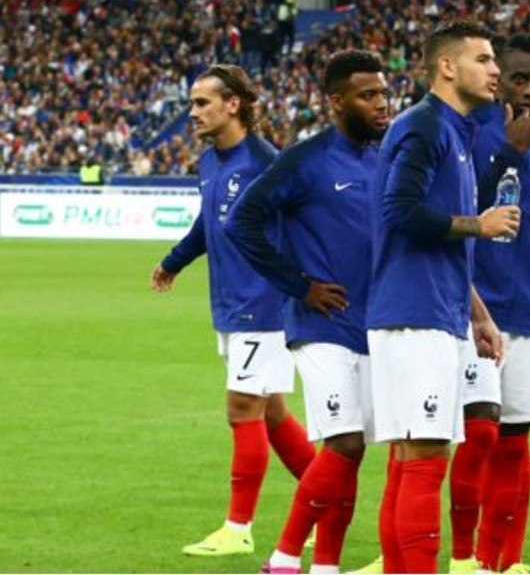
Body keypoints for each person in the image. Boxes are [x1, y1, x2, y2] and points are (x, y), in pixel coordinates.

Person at [226, 50, 390, 574]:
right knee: (341, 442)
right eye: (368, 95)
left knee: (355, 450)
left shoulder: (383, 157)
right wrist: (298, 285)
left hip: (372, 324)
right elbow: (242, 221)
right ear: (336, 101)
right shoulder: (305, 159)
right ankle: (282, 559)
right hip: (320, 326)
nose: (382, 104)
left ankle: (327, 566)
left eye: (384, 92)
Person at [150, 64, 316, 557]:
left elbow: (304, 228)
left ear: (233, 105)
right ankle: (325, 500)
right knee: (270, 412)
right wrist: (172, 262)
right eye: (192, 104)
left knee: (242, 408)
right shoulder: (210, 161)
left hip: (263, 305)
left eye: (202, 103)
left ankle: (238, 528)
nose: (193, 113)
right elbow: (209, 224)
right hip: (230, 303)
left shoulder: (268, 164)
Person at [366, 21, 513, 574]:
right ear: (447, 67)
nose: (494, 69)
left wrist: (479, 314)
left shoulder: (453, 131)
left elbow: (439, 243)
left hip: (434, 312)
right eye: (483, 58)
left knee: (412, 457)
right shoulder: (425, 127)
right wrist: (479, 223)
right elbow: (399, 212)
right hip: (413, 316)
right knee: (424, 457)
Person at [448, 32, 530, 574]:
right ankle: (462, 559)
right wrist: (508, 150)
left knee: (513, 440)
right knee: (476, 435)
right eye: (518, 77)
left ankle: (502, 562)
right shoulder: (467, 133)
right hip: (468, 309)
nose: (529, 90)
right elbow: (448, 214)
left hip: (529, 314)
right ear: (498, 75)